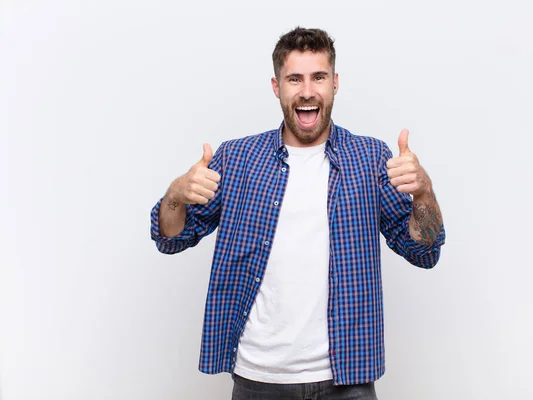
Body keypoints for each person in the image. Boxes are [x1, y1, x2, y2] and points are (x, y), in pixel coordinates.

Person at [150, 27, 445, 400]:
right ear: (277, 86)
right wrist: (176, 193)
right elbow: (171, 237)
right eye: (295, 79)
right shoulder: (237, 159)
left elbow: (423, 250)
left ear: (335, 83)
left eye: (318, 77)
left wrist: (424, 193)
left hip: (346, 379)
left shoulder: (370, 158)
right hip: (258, 379)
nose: (307, 91)